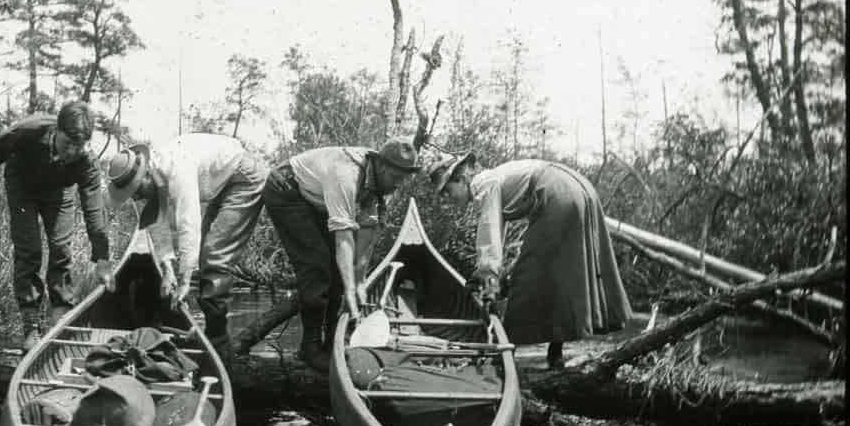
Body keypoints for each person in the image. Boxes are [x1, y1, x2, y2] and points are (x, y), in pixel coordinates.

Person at [427, 152, 633, 369]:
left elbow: (489, 230)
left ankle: (504, 355)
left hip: (558, 193)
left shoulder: (483, 183)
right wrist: (495, 277)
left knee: (528, 277)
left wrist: (486, 276)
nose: (448, 199)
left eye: (447, 192)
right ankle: (555, 354)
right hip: (579, 188)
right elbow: (498, 231)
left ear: (460, 179)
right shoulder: (493, 180)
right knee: (560, 275)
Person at [0, 102, 115, 351]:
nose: (72, 152)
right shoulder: (27, 132)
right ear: (57, 130)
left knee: (61, 249)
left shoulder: (86, 162)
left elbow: (94, 210)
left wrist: (103, 258)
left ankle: (60, 319)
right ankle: (31, 326)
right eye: (67, 144)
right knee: (29, 250)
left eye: (80, 146)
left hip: (59, 192)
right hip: (22, 185)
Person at [105, 133, 268, 366]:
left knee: (214, 255)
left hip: (244, 177)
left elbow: (188, 223)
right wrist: (168, 269)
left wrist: (184, 281)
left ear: (147, 175)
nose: (138, 196)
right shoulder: (153, 180)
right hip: (222, 182)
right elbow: (157, 225)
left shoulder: (176, 167)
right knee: (205, 254)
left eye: (138, 190)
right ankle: (213, 336)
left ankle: (218, 344)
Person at [263, 139, 422, 372]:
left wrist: (358, 281)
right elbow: (344, 238)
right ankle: (310, 348)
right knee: (316, 265)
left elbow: (366, 237)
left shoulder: (376, 182)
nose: (398, 185)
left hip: (314, 198)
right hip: (285, 189)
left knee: (340, 270)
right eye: (396, 179)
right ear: (382, 167)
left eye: (403, 180)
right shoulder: (346, 175)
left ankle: (331, 343)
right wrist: (349, 289)